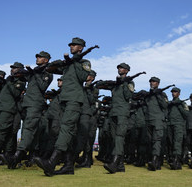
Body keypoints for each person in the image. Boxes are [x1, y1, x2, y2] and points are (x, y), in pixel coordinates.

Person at [34, 37, 92, 176]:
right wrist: (66, 61)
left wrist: (76, 61)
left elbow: (83, 76)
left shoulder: (84, 62)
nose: (71, 47)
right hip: (64, 101)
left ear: (81, 48)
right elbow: (51, 67)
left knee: (66, 129)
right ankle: (68, 166)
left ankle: (52, 162)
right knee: (66, 133)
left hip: (74, 100)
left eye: (74, 45)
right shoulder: (68, 63)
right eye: (70, 45)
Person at [7, 51, 53, 169]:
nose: (37, 58)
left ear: (46, 60)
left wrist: (35, 73)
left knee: (28, 128)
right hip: (28, 104)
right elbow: (23, 75)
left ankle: (17, 155)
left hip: (36, 103)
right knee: (33, 130)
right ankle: (31, 156)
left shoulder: (48, 73)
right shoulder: (35, 72)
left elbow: (43, 87)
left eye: (40, 57)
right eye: (37, 57)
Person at [96, 63, 134, 174]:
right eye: (118, 68)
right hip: (113, 113)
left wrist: (125, 82)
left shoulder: (130, 83)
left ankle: (115, 163)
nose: (119, 69)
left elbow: (128, 96)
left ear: (126, 71)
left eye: (121, 68)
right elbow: (100, 84)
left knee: (119, 137)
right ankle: (121, 165)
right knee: (114, 139)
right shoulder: (116, 84)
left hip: (122, 113)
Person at [144, 77, 168, 171]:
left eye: (153, 82)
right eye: (150, 81)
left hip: (158, 120)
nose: (151, 83)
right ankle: (155, 162)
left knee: (156, 141)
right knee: (150, 141)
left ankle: (155, 161)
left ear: (158, 83)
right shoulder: (148, 95)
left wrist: (158, 95)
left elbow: (165, 105)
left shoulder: (162, 94)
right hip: (148, 120)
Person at [167, 87, 189, 170]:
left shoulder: (182, 103)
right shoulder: (170, 103)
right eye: (172, 92)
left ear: (179, 93)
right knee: (171, 142)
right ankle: (173, 159)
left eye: (175, 92)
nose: (173, 93)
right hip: (170, 124)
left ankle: (176, 161)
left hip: (178, 125)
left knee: (177, 143)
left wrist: (179, 106)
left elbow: (186, 114)